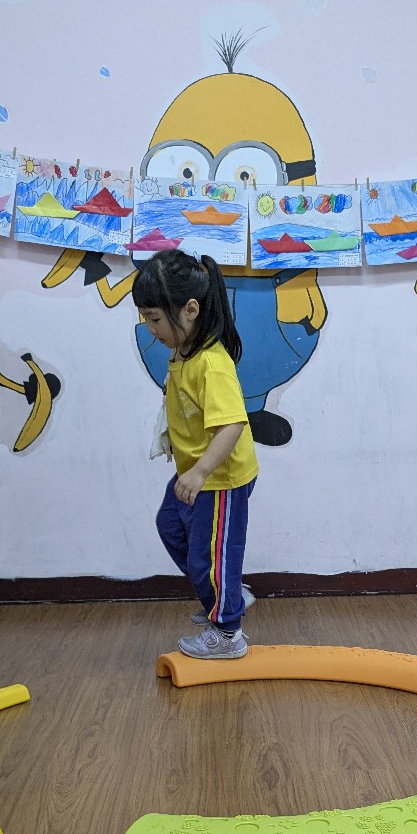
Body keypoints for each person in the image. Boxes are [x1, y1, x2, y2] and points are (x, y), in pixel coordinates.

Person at [133, 250, 258, 659]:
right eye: (144, 317)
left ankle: (229, 633)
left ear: (190, 310)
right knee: (171, 526)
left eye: (154, 318)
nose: (149, 328)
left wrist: (202, 470)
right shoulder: (183, 353)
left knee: (209, 556)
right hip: (196, 471)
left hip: (220, 477)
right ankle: (228, 593)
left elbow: (232, 424)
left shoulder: (211, 363)